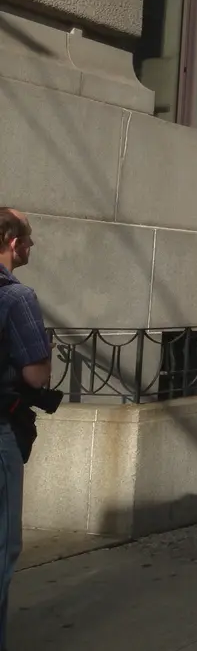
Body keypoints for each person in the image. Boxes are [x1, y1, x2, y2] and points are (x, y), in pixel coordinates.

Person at [0, 209, 51, 650]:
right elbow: (35, 375)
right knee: (2, 546)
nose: (32, 247)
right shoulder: (17, 297)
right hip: (1, 429)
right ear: (12, 241)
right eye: (29, 240)